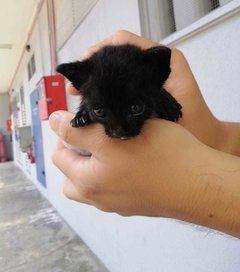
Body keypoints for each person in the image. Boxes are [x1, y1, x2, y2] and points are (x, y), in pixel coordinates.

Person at [49, 30, 240, 238]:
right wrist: (218, 140)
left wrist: (189, 189)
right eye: (100, 112)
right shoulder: (104, 90)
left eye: (135, 109)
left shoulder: (148, 85)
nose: (119, 130)